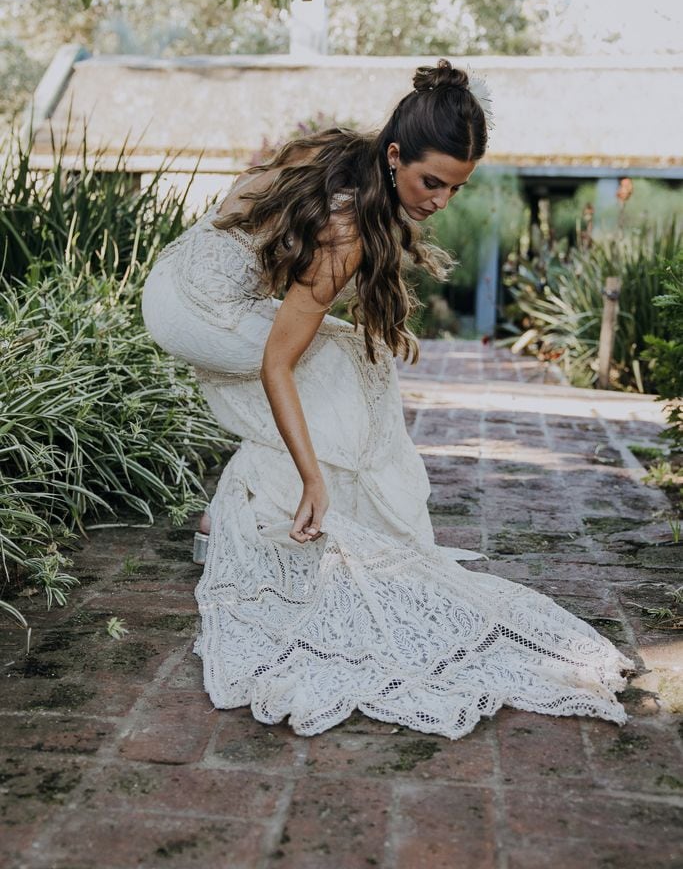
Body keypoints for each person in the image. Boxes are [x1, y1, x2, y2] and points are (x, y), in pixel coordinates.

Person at [141, 59, 635, 740]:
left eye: (454, 189)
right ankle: (279, 514)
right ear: (396, 155)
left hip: (184, 275)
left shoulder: (350, 155)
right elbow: (278, 364)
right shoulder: (343, 226)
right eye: (430, 181)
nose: (438, 201)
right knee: (329, 377)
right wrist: (314, 472)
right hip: (193, 308)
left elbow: (249, 218)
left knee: (358, 363)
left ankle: (268, 521)